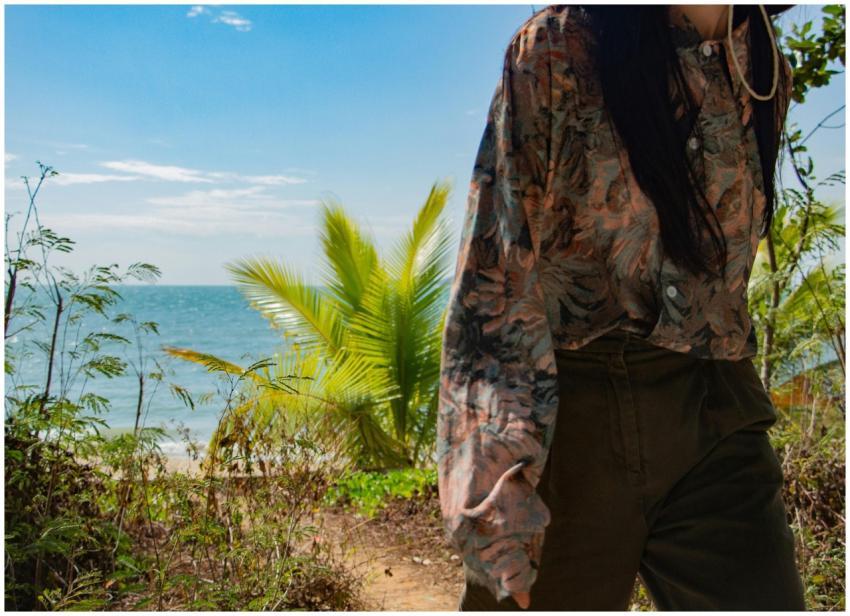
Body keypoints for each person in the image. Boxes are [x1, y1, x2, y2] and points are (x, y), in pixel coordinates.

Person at [436, 3, 807, 611]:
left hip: (717, 412)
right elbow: (496, 272)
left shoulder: (764, 70)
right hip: (568, 422)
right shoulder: (558, 46)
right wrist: (493, 473)